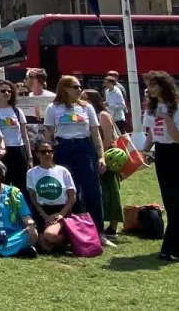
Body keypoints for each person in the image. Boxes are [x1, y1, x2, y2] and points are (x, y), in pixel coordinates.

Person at [44, 75, 112, 248]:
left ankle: (99, 232)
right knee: (70, 192)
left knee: (92, 191)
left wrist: (101, 156)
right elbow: (49, 134)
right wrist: (46, 155)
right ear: (65, 88)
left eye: (79, 86)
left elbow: (95, 134)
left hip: (84, 148)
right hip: (63, 149)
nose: (79, 89)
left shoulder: (87, 107)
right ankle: (73, 232)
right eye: (75, 87)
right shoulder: (53, 108)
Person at [142, 71, 179, 262]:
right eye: (148, 85)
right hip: (162, 153)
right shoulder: (151, 108)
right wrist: (144, 152)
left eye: (153, 85)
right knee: (170, 202)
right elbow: (151, 134)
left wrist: (166, 118)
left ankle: (175, 249)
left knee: (178, 203)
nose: (149, 89)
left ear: (163, 86)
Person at [83, 89, 125, 240]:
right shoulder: (86, 114)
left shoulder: (103, 115)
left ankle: (113, 226)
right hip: (93, 156)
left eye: (84, 98)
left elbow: (108, 138)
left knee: (111, 190)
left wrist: (101, 157)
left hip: (107, 157)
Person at [25, 139, 76, 253]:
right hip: (42, 211)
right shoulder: (31, 173)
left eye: (50, 151)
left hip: (61, 210)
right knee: (44, 247)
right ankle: (60, 243)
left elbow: (72, 197)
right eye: (43, 152)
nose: (47, 154)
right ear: (37, 153)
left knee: (49, 235)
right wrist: (43, 215)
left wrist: (61, 214)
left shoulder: (63, 171)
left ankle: (69, 238)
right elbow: (33, 198)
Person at [0, 80, 30, 196]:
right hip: (0, 153)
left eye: (9, 91)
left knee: (21, 187)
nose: (6, 93)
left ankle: (22, 212)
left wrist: (29, 156)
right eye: (3, 90)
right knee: (1, 186)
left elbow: (24, 135)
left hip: (18, 151)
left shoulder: (17, 110)